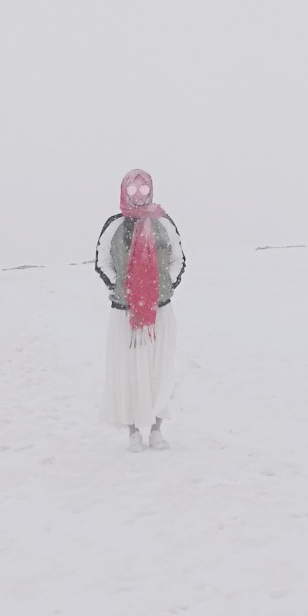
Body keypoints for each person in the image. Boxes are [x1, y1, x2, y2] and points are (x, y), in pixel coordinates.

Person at [94, 168, 185, 451]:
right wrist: (118, 285)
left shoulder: (164, 222)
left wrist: (164, 285)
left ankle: (157, 428)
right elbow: (102, 260)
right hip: (125, 311)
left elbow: (178, 259)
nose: (139, 195)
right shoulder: (115, 224)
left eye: (144, 189)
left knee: (158, 370)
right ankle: (133, 431)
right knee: (129, 371)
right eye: (133, 190)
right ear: (124, 191)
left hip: (159, 310)